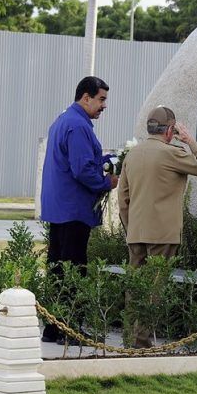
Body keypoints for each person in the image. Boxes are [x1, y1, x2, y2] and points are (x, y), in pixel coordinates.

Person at [118, 106, 197, 347]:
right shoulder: (172, 153)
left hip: (136, 232)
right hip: (163, 233)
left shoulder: (134, 154)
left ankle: (131, 339)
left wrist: (131, 227)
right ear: (171, 130)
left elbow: (123, 198)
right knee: (154, 287)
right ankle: (141, 343)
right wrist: (191, 142)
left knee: (134, 288)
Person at [40, 76, 119, 343]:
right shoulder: (77, 125)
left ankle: (52, 329)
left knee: (57, 269)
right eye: (101, 99)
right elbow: (83, 169)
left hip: (60, 207)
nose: (104, 105)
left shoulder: (64, 120)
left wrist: (107, 160)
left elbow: (82, 161)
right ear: (86, 98)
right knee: (73, 270)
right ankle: (69, 329)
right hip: (74, 209)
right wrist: (108, 181)